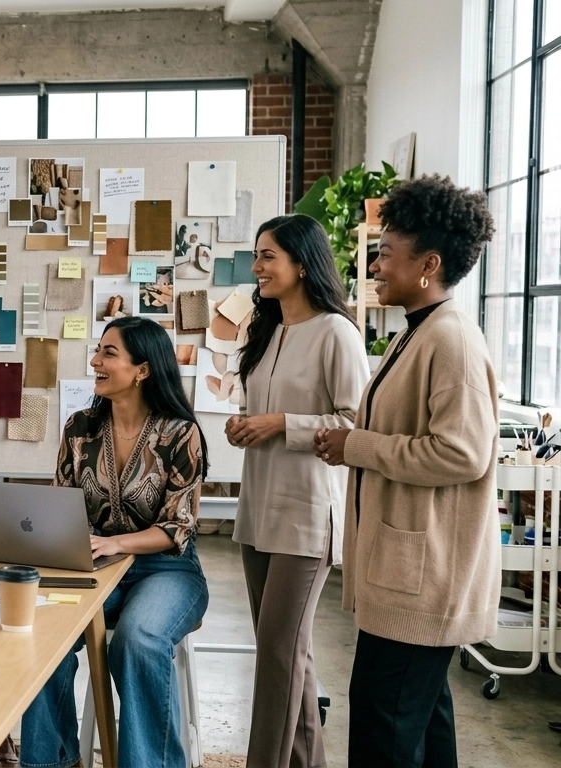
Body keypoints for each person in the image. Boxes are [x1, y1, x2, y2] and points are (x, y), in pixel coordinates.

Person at [313, 175, 498, 768]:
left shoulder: (451, 341)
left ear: (429, 265)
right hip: (405, 574)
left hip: (423, 579)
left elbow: (462, 453)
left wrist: (358, 445)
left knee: (384, 729)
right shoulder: (417, 332)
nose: (374, 265)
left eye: (387, 253)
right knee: (420, 727)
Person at [21, 316, 209, 768]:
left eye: (109, 353)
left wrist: (117, 543)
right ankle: (51, 762)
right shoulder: (80, 427)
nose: (95, 362)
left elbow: (177, 527)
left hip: (167, 568)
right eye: (97, 351)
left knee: (137, 639)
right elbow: (63, 503)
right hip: (93, 562)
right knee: (42, 633)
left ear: (142, 370)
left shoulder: (180, 432)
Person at [227, 214, 369, 768]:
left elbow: (356, 423)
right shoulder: (264, 332)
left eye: (268, 256)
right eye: (256, 255)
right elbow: (259, 408)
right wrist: (245, 423)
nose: (257, 267)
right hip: (257, 508)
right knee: (291, 656)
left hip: (307, 514)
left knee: (278, 655)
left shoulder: (336, 332)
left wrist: (282, 424)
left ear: (303, 265)